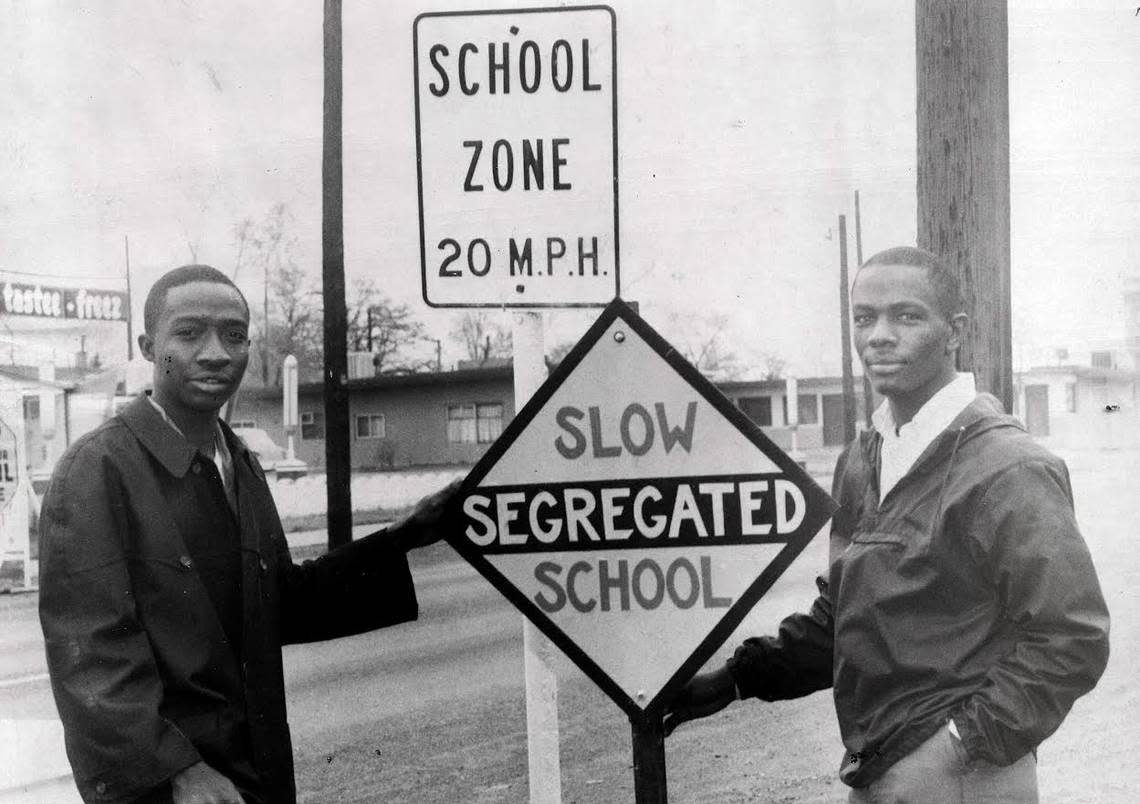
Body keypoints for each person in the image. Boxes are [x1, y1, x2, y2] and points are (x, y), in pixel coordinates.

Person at [663, 246, 1110, 802]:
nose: (879, 335)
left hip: (968, 776)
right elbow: (848, 613)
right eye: (864, 318)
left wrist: (958, 747)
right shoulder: (863, 458)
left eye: (906, 316)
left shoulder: (1008, 467)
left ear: (954, 332)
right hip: (878, 770)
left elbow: (1072, 636)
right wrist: (738, 679)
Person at [39, 264, 460, 804]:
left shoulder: (238, 463)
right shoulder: (97, 470)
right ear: (148, 346)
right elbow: (90, 657)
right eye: (189, 333)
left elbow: (273, 600)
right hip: (172, 790)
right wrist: (178, 772)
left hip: (254, 773)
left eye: (234, 335)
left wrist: (400, 539)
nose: (216, 352)